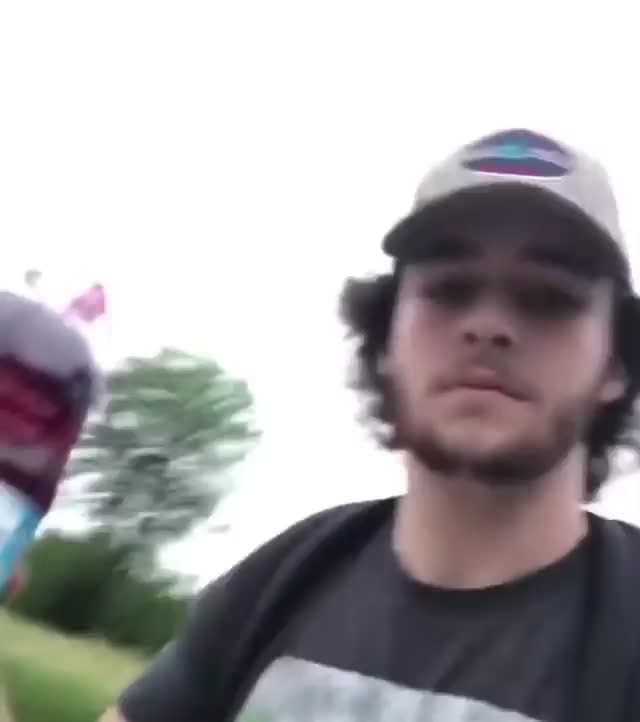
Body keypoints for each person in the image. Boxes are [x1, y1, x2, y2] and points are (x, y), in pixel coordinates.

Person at [108, 129, 640, 722]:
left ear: (615, 365)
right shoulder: (285, 577)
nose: (488, 325)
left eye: (548, 297)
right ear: (386, 340)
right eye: (449, 289)